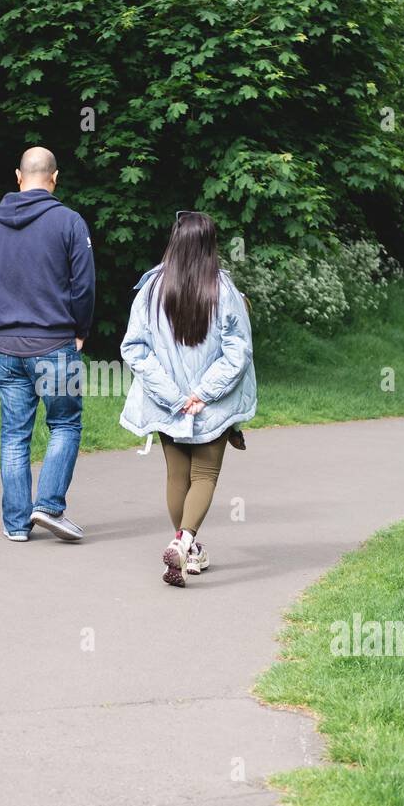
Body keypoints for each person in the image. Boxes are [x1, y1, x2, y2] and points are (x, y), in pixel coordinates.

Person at [119, 211, 256, 586]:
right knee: (206, 474)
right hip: (212, 403)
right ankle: (184, 543)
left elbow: (134, 349)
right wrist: (201, 394)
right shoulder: (224, 290)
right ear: (210, 245)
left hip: (168, 403)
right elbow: (238, 353)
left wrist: (175, 396)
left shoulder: (150, 289)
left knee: (176, 475)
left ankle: (187, 549)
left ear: (175, 241)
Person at [0, 147, 96, 542]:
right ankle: (49, 506)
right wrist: (81, 329)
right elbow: (84, 285)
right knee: (65, 423)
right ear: (54, 178)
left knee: (13, 435)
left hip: (7, 348)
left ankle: (16, 524)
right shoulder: (69, 223)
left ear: (19, 177)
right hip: (56, 343)